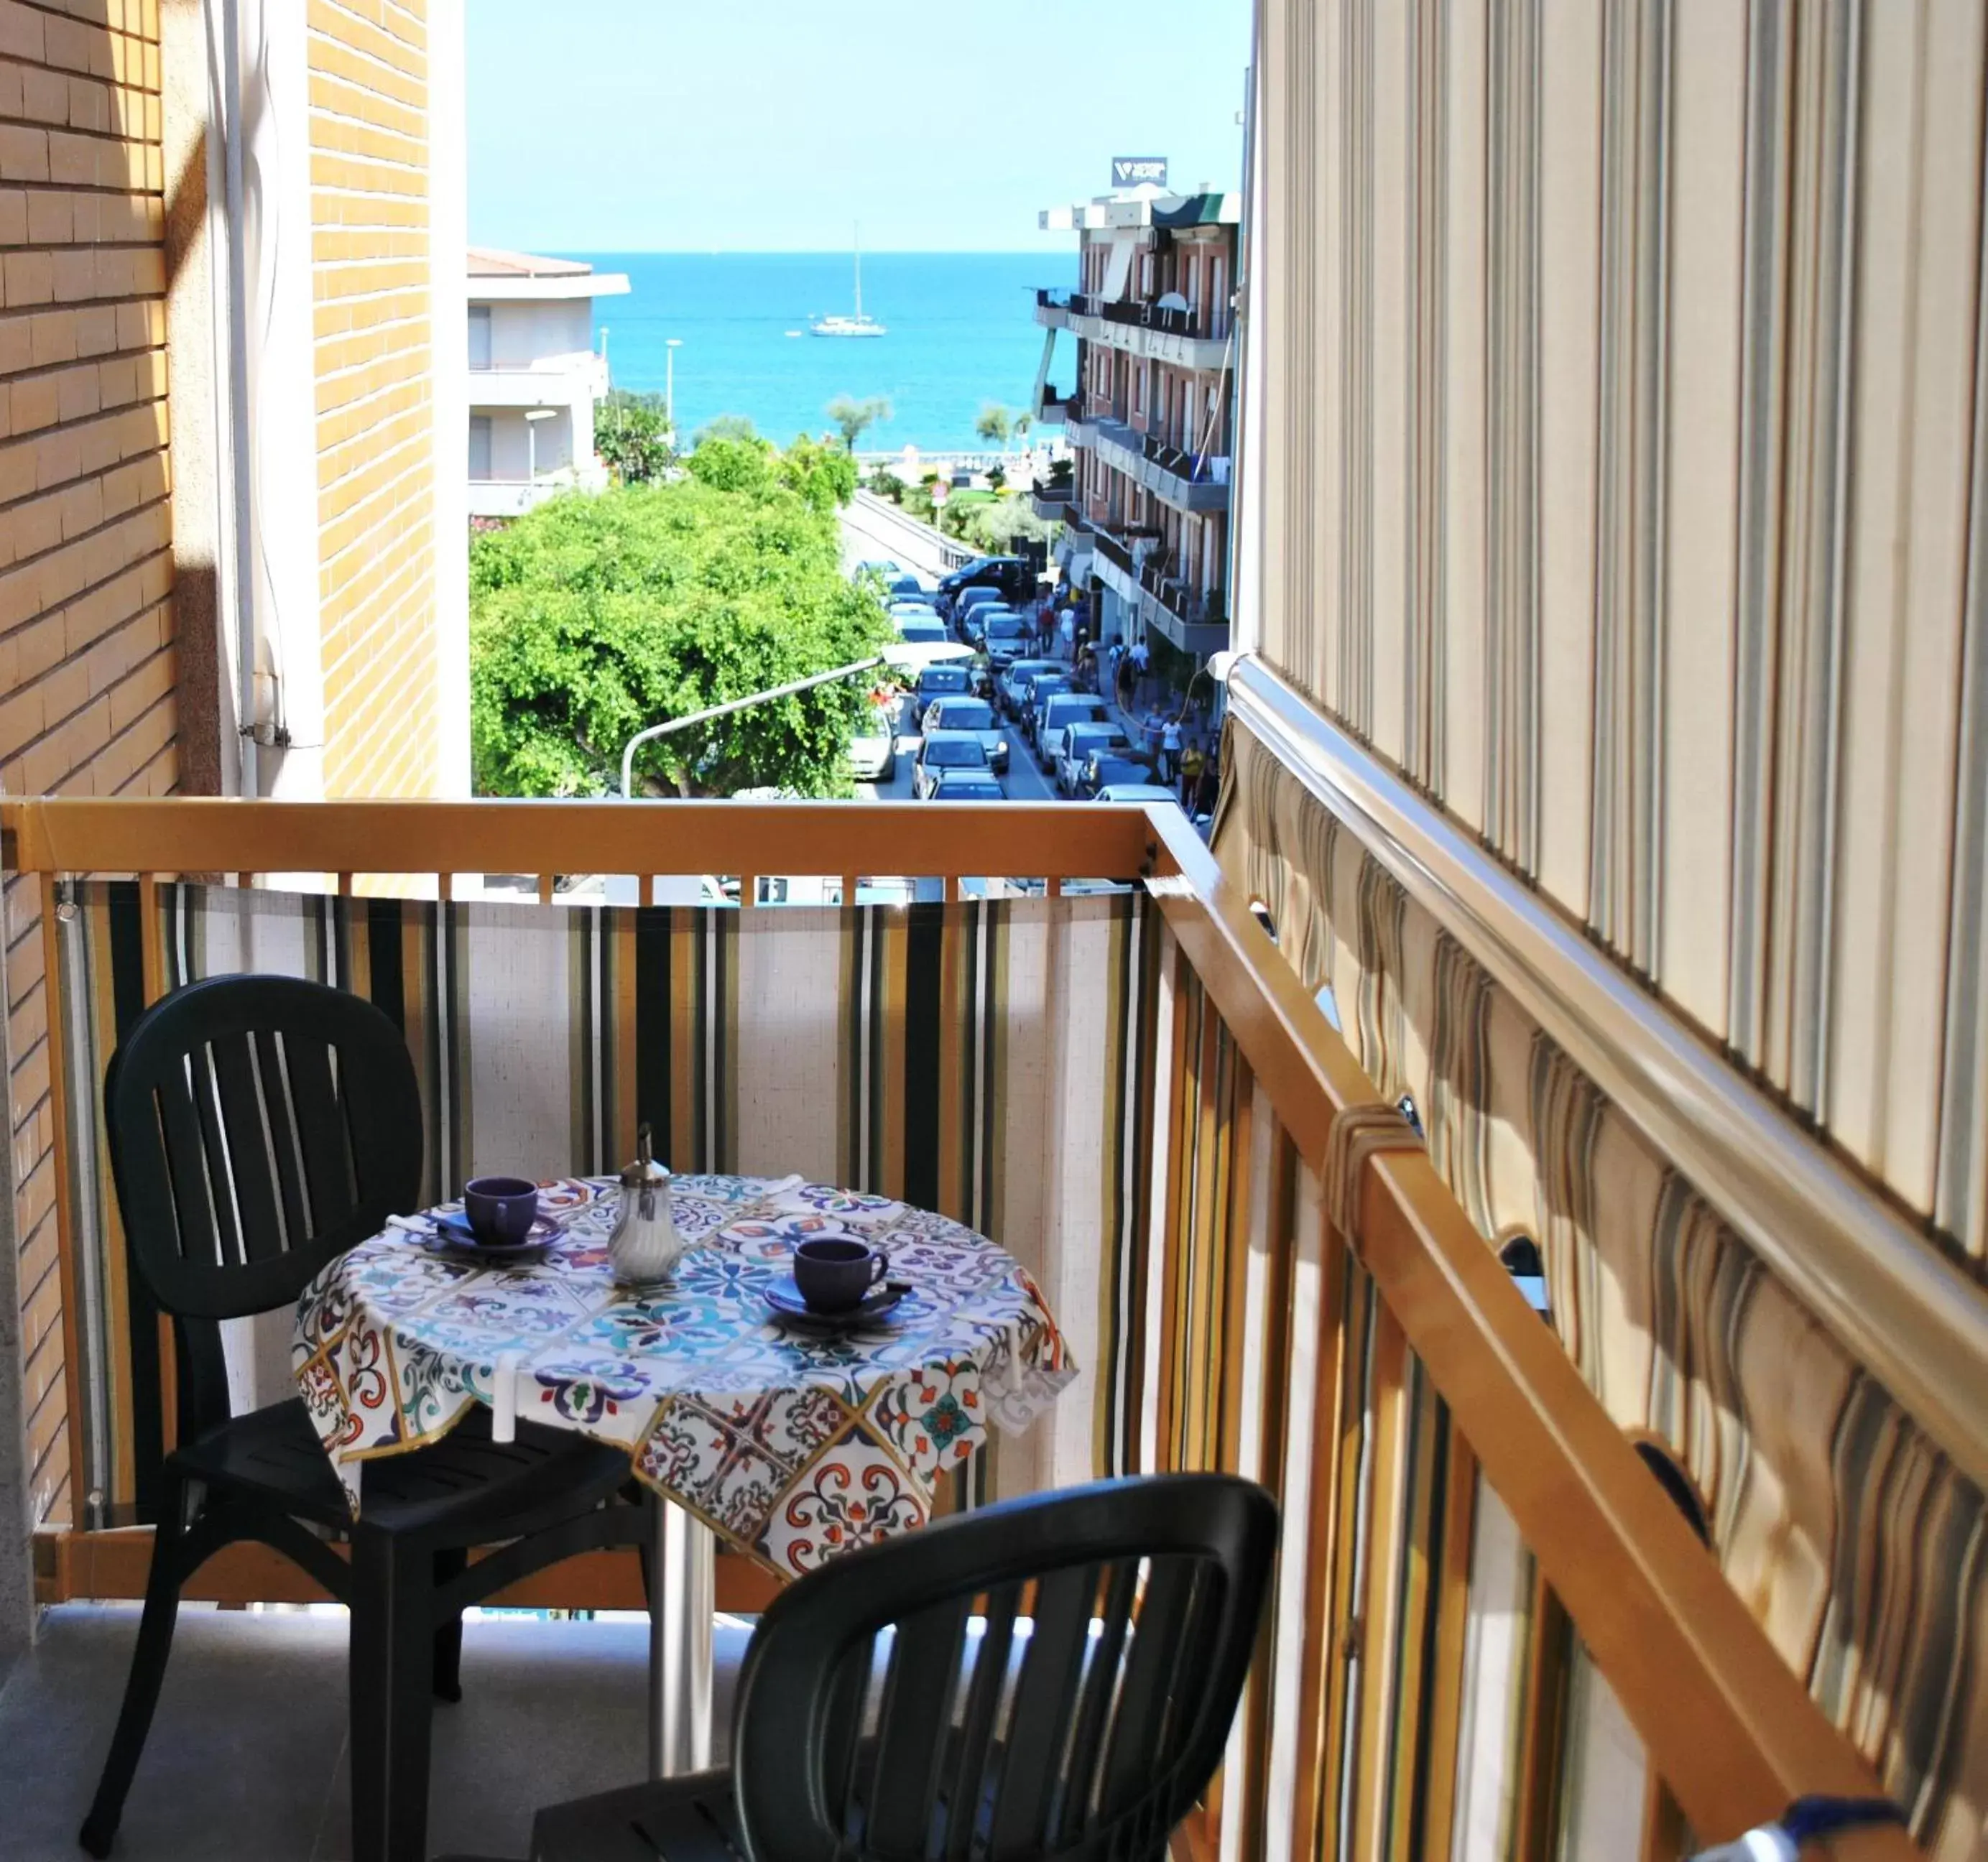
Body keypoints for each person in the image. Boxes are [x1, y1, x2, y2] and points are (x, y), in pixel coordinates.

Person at [1178, 737, 1206, 807]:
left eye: (1195, 744)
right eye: (1192, 744)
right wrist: (1193, 761)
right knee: (1185, 791)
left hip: (1196, 776)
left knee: (1195, 792)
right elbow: (1182, 762)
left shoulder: (1200, 753)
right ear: (1190, 745)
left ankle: (1195, 807)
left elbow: (1203, 764)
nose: (1194, 746)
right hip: (1187, 775)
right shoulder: (1186, 752)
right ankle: (1184, 806)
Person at [1160, 715, 1184, 785]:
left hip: (1175, 747)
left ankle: (1174, 779)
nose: (1171, 720)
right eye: (1170, 719)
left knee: (1174, 763)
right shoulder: (1165, 726)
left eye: (1172, 719)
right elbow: (1163, 737)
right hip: (1167, 747)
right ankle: (1168, 778)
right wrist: (1162, 748)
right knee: (1168, 763)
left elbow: (1179, 737)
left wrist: (1182, 747)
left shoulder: (1178, 726)